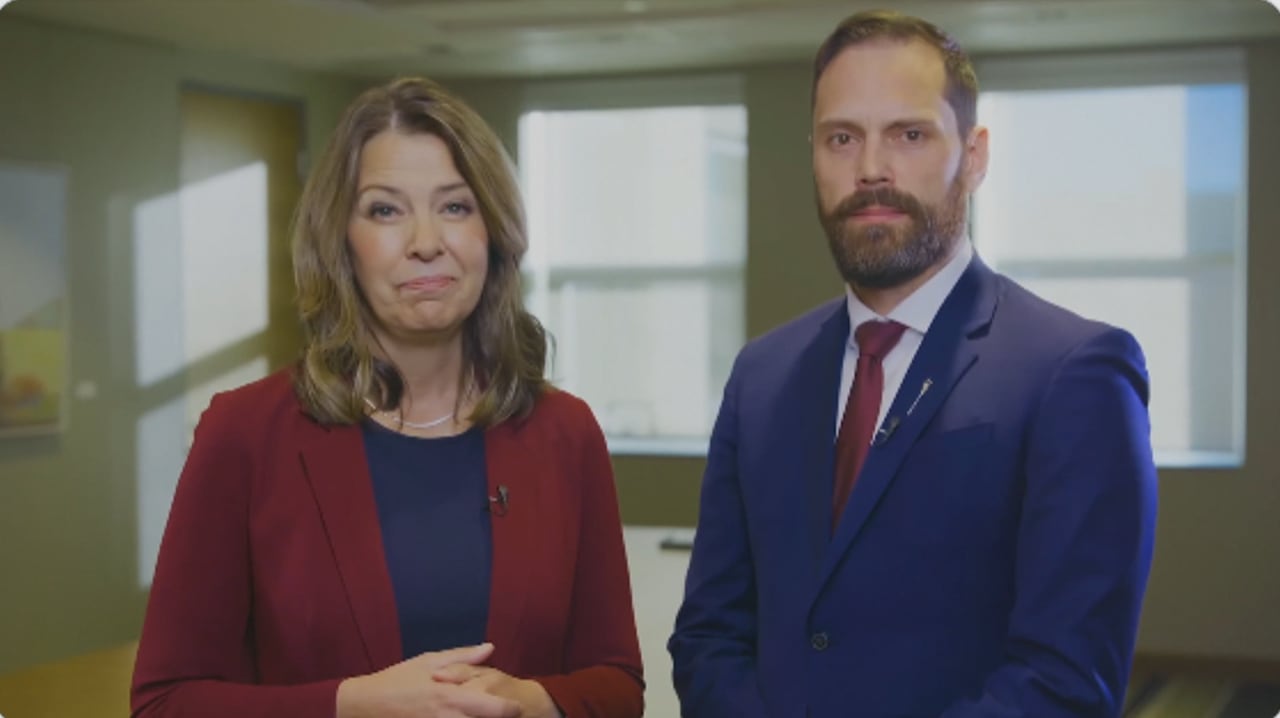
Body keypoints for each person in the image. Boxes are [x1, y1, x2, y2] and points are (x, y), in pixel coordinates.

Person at [669, 10, 1157, 718]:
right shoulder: (762, 376)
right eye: (843, 138)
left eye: (909, 134)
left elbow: (1064, 683)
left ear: (975, 153)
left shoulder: (1074, 373)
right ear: (813, 153)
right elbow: (709, 633)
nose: (870, 169)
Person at [131, 76, 644, 718]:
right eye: (386, 210)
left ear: (494, 232)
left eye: (456, 207)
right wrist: (350, 705)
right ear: (341, 241)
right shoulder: (245, 433)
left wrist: (537, 701)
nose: (426, 240)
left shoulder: (564, 433)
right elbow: (165, 701)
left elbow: (619, 684)